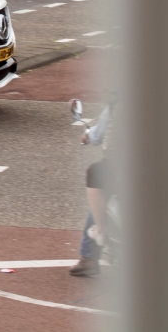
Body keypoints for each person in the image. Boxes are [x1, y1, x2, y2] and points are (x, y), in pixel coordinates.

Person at [70, 101, 113, 278]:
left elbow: (97, 135)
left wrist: (88, 134)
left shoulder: (117, 105)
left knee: (97, 185)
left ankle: (90, 254)